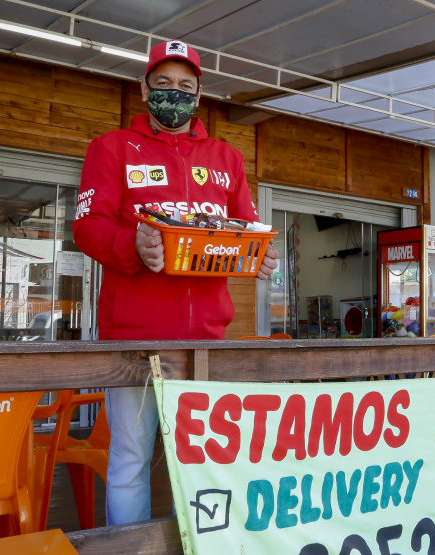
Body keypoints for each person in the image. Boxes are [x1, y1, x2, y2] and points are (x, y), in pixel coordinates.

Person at [73, 38, 278, 526]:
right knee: (129, 463)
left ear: (199, 94)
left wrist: (258, 254)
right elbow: (87, 226)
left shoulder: (226, 158)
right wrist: (131, 247)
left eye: (185, 86)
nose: (174, 94)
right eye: (162, 84)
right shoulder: (112, 148)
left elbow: (243, 228)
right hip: (133, 343)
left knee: (206, 465)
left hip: (205, 343)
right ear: (144, 90)